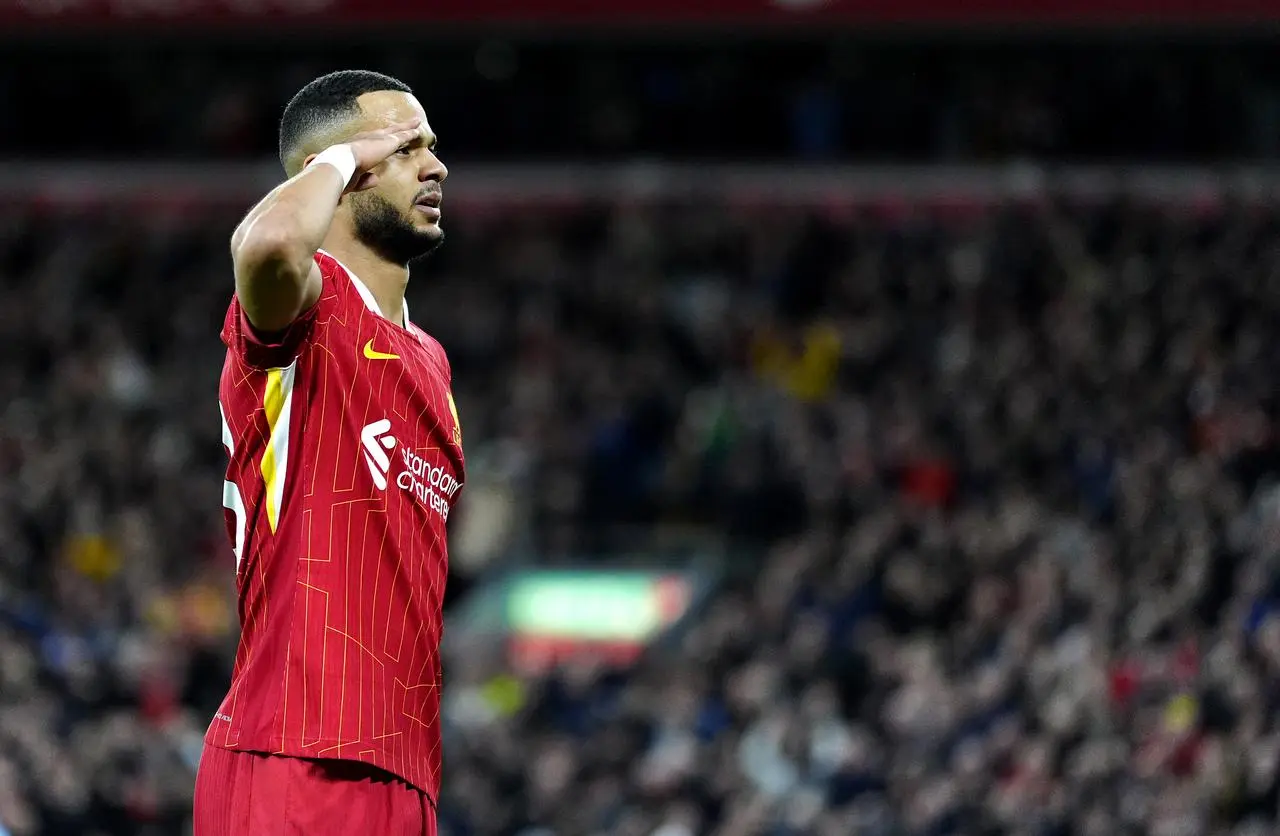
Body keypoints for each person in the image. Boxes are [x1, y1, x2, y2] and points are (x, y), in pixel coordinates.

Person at [192, 69, 463, 836]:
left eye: (432, 147)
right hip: (295, 752)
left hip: (404, 774)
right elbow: (272, 243)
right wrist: (336, 162)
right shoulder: (308, 308)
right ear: (338, 170)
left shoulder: (432, 364)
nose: (436, 165)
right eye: (407, 147)